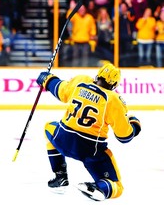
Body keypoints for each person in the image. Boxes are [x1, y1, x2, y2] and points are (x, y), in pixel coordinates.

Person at [36, 63, 141, 201]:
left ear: (97, 76)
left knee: (48, 128)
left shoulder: (81, 81)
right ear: (114, 85)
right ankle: (101, 188)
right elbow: (124, 137)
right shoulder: (113, 99)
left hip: (62, 139)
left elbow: (60, 90)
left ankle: (60, 175)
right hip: (90, 151)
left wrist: (48, 80)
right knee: (117, 187)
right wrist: (135, 125)